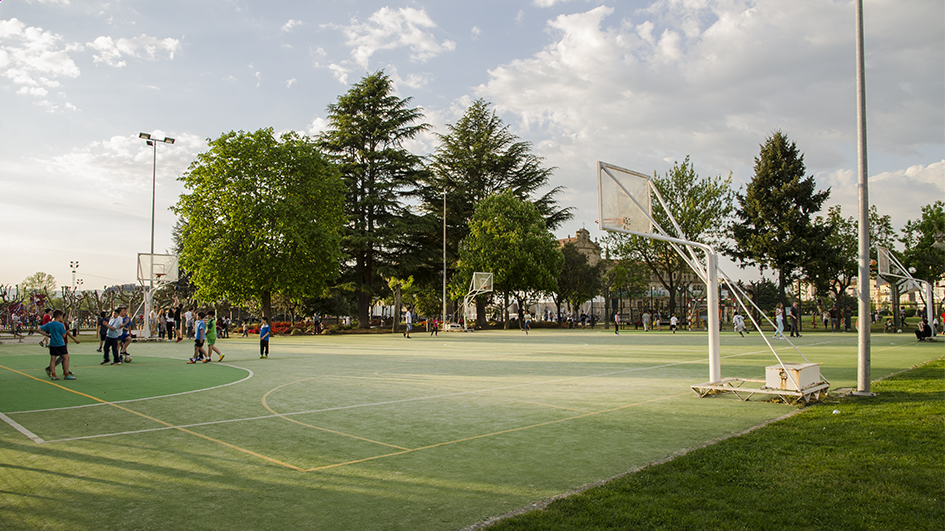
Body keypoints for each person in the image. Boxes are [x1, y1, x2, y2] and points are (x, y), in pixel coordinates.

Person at [39, 310, 79, 380]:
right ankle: (66, 374)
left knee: (52, 359)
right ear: (59, 316)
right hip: (60, 343)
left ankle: (53, 375)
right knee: (66, 357)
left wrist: (47, 335)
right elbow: (64, 335)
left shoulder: (50, 324)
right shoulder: (60, 325)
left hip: (52, 343)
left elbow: (39, 330)